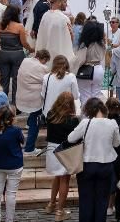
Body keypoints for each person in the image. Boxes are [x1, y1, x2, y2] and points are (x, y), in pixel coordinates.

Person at [68, 98, 120, 222]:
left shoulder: (86, 123)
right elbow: (117, 144)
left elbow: (70, 138)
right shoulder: (112, 123)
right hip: (106, 165)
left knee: (86, 200)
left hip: (87, 164)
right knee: (102, 200)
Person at [44, 92, 80, 221]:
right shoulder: (73, 120)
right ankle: (59, 212)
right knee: (65, 179)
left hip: (51, 149)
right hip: (65, 150)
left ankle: (51, 204)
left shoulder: (50, 115)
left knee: (57, 177)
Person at [0, 106, 24, 222]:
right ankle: (9, 219)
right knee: (11, 193)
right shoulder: (16, 131)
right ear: (12, 118)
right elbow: (22, 141)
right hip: (15, 164)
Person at [0, 5, 33, 105]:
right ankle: (16, 104)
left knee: (3, 80)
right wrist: (31, 49)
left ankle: (3, 103)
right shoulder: (19, 26)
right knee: (16, 80)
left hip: (4, 54)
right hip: (17, 55)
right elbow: (24, 43)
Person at [15, 49, 50, 154]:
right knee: (36, 123)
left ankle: (28, 124)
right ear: (43, 59)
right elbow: (46, 80)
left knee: (32, 117)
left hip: (22, 95)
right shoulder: (43, 68)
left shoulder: (25, 61)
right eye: (45, 61)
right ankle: (29, 148)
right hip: (34, 98)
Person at [71, 21, 106, 102]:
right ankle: (96, 113)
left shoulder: (85, 45)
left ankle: (86, 114)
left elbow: (80, 60)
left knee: (84, 97)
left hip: (86, 70)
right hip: (98, 69)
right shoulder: (102, 44)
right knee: (96, 96)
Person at [35, 0, 75, 65]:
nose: (66, 4)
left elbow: (41, 36)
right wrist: (72, 34)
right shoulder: (64, 18)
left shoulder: (45, 15)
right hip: (58, 56)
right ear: (59, 2)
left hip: (45, 57)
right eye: (65, 2)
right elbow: (68, 41)